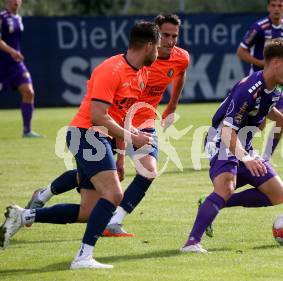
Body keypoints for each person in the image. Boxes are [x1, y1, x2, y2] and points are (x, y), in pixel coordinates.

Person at [0, 21, 160, 269]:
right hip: (86, 134)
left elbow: (119, 115)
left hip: (101, 138)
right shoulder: (112, 69)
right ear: (149, 46)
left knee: (88, 211)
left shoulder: (141, 74)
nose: (159, 53)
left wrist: (119, 156)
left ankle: (24, 215)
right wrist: (132, 137)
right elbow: (98, 116)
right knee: (114, 195)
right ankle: (83, 257)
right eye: (158, 47)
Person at [22, 14, 190, 238]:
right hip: (109, 125)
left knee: (147, 171)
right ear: (154, 39)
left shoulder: (179, 58)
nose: (170, 41)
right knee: (96, 179)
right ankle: (44, 196)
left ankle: (113, 222)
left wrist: (172, 106)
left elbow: (180, 76)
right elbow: (109, 109)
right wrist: (121, 148)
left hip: (139, 124)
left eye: (174, 36)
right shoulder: (135, 62)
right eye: (165, 36)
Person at [181, 39, 283, 253]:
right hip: (221, 140)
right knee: (225, 186)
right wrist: (246, 157)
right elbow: (225, 130)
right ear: (276, 62)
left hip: (243, 143)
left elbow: (266, 108)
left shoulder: (276, 86)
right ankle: (192, 243)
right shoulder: (248, 89)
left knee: (277, 194)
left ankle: (212, 202)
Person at [236, 0, 283, 160]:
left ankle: (266, 158)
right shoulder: (259, 27)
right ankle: (231, 142)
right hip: (259, 82)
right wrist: (262, 63)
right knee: (260, 123)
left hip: (278, 83)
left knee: (281, 116)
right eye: (273, 5)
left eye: (280, 5)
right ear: (268, 8)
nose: (276, 9)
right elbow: (241, 51)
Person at [0, 0, 42, 137]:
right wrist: (12, 51)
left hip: (16, 64)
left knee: (29, 92)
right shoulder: (2, 17)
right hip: (2, 64)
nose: (15, 1)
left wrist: (14, 54)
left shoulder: (18, 18)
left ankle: (27, 130)